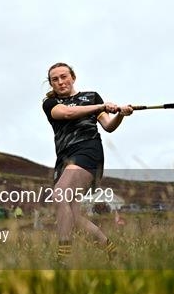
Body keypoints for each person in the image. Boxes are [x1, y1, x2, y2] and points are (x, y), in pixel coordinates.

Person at [42, 62, 133, 263]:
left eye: (64, 76)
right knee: (72, 216)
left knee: (60, 194)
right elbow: (66, 113)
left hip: (88, 151)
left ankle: (63, 257)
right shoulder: (50, 104)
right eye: (55, 79)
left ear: (73, 77)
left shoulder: (91, 96)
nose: (60, 82)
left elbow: (108, 126)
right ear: (51, 84)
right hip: (64, 159)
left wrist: (120, 114)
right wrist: (102, 106)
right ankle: (114, 253)